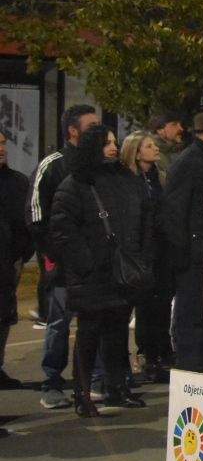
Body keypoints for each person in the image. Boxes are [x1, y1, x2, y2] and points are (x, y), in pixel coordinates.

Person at [50, 125, 154, 416]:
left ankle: (116, 389)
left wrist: (139, 256)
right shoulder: (75, 183)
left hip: (120, 272)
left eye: (114, 142)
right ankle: (82, 395)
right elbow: (63, 230)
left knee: (117, 334)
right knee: (89, 335)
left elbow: (142, 219)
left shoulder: (125, 179)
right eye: (106, 142)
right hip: (92, 276)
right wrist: (86, 263)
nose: (113, 147)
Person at [31, 103, 100, 409]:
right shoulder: (52, 165)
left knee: (93, 321)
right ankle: (52, 382)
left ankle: (91, 382)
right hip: (62, 263)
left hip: (94, 263)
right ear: (73, 131)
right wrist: (52, 253)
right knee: (59, 323)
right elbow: (36, 215)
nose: (98, 131)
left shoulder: (100, 165)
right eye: (91, 126)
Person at [161, 110, 203, 374]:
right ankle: (191, 371)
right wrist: (183, 253)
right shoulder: (190, 163)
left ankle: (201, 369)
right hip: (193, 254)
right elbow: (175, 211)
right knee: (192, 315)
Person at [122, 131, 171, 384]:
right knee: (144, 309)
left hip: (160, 252)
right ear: (136, 151)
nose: (155, 149)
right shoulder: (128, 180)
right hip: (139, 254)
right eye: (149, 146)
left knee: (160, 307)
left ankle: (159, 355)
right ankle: (145, 356)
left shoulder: (159, 178)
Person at [0, 130, 33, 390]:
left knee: (4, 316)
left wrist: (22, 254)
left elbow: (27, 221)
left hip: (9, 260)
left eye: (3, 143)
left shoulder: (17, 182)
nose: (2, 149)